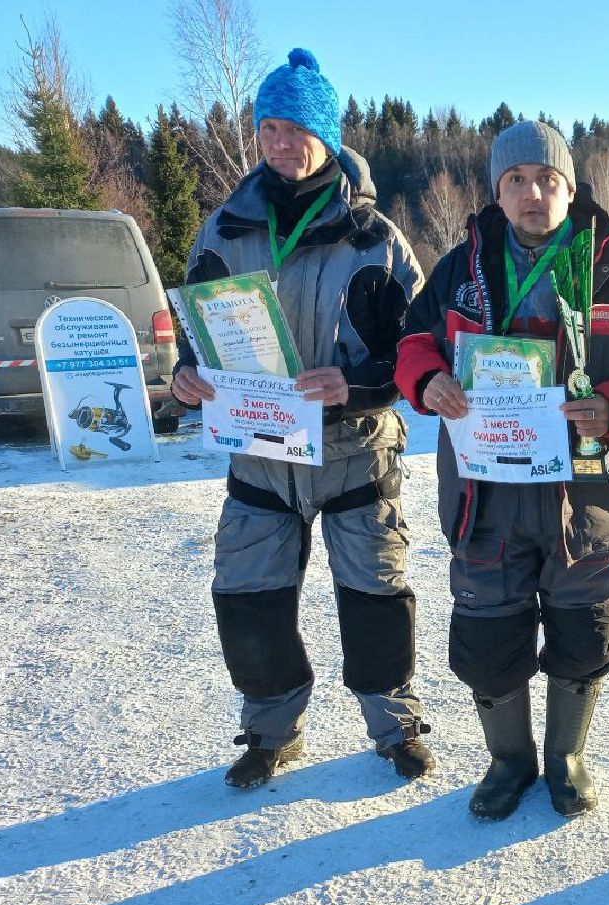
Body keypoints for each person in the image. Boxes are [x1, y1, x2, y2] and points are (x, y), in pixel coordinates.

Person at [394, 121, 609, 821]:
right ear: (497, 192)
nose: (532, 193)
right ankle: (509, 760)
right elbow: (412, 340)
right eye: (516, 180)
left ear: (570, 188)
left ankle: (566, 757)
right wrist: (427, 379)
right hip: (486, 492)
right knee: (488, 636)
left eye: (547, 180)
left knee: (582, 632)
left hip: (587, 494)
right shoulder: (461, 268)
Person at [170, 49, 433, 789]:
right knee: (248, 600)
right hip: (259, 453)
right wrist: (184, 377)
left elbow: (418, 352)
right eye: (269, 129)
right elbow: (193, 333)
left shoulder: (375, 238)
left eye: (296, 130)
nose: (281, 143)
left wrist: (354, 385)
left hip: (354, 452)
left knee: (376, 600)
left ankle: (395, 726)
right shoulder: (224, 229)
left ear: (327, 135)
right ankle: (269, 732)